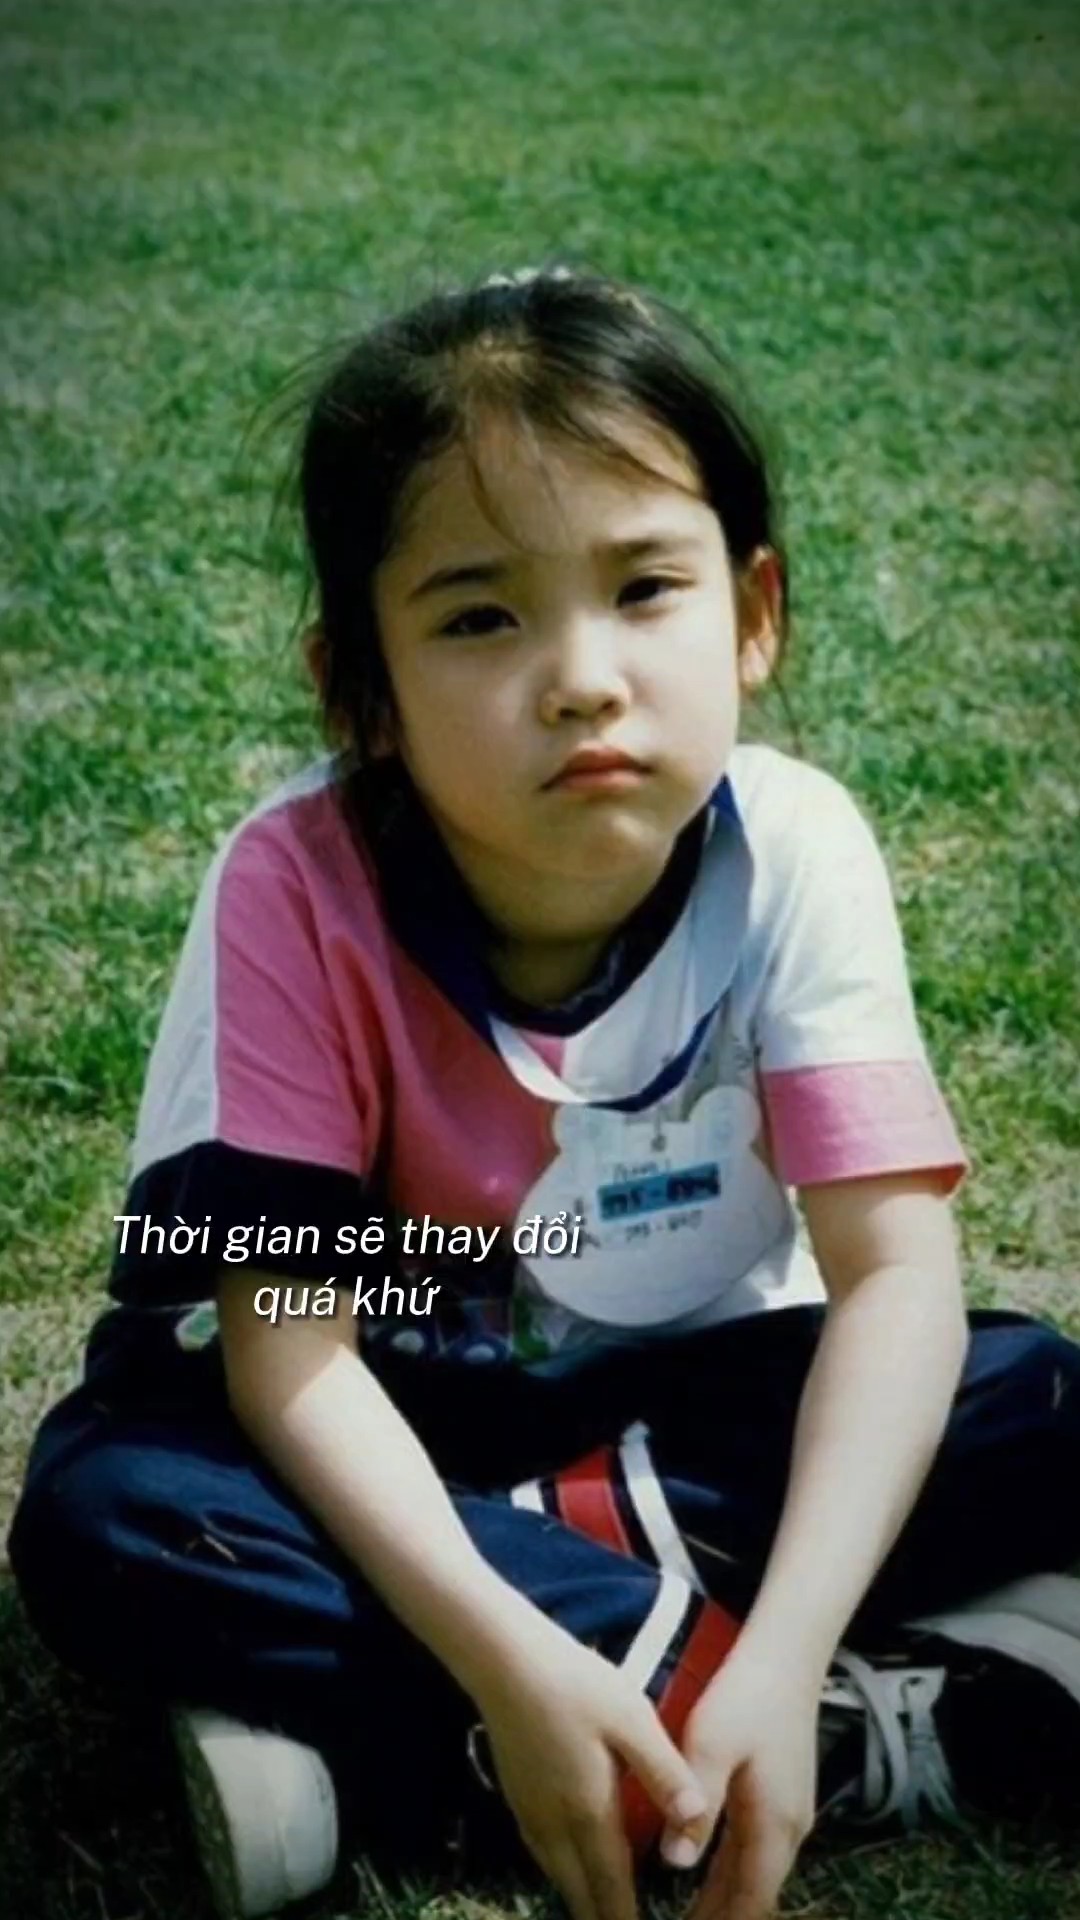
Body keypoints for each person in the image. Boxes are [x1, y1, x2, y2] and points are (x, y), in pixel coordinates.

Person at [8, 266, 1080, 1920]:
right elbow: (292, 1353)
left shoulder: (795, 846)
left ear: (755, 613)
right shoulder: (296, 887)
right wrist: (516, 1650)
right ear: (358, 689)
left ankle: (407, 1752)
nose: (582, 676)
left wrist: (785, 1648)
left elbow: (894, 1282)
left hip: (687, 1402)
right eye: (478, 617)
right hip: (386, 1395)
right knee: (117, 1510)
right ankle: (774, 1714)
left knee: (1042, 1401)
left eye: (645, 588)